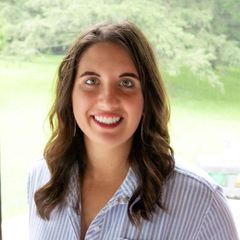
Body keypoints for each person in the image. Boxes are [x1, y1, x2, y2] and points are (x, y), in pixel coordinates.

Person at [27, 21, 239, 240]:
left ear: (146, 97)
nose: (108, 101)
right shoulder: (41, 177)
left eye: (127, 83)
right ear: (69, 94)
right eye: (91, 81)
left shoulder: (203, 202)